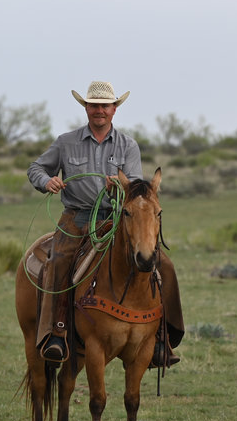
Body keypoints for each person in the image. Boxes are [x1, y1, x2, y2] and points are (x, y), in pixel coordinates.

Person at [27, 81, 184, 367]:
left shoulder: (128, 145)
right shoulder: (66, 142)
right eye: (94, 105)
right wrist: (46, 180)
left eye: (105, 106)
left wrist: (121, 187)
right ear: (86, 108)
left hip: (116, 219)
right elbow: (35, 168)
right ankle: (56, 333)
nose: (99, 110)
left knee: (163, 265)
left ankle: (162, 337)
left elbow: (136, 190)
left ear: (114, 109)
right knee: (58, 261)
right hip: (76, 218)